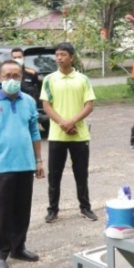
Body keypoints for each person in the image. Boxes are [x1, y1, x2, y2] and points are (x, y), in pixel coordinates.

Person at [0, 60, 45, 268]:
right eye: (7, 76)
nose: (11, 80)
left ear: (22, 77)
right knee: (1, 214)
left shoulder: (29, 102)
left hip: (25, 165)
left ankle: (18, 247)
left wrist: (39, 160)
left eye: (16, 75)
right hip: (0, 166)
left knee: (22, 210)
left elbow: (34, 132)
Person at [41, 42, 97, 223]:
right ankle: (53, 210)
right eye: (57, 55)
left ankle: (85, 207)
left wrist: (72, 122)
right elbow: (46, 105)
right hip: (57, 135)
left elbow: (89, 105)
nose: (59, 58)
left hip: (79, 135)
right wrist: (62, 123)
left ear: (72, 57)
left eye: (63, 54)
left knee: (81, 173)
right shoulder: (49, 79)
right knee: (54, 175)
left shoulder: (82, 79)